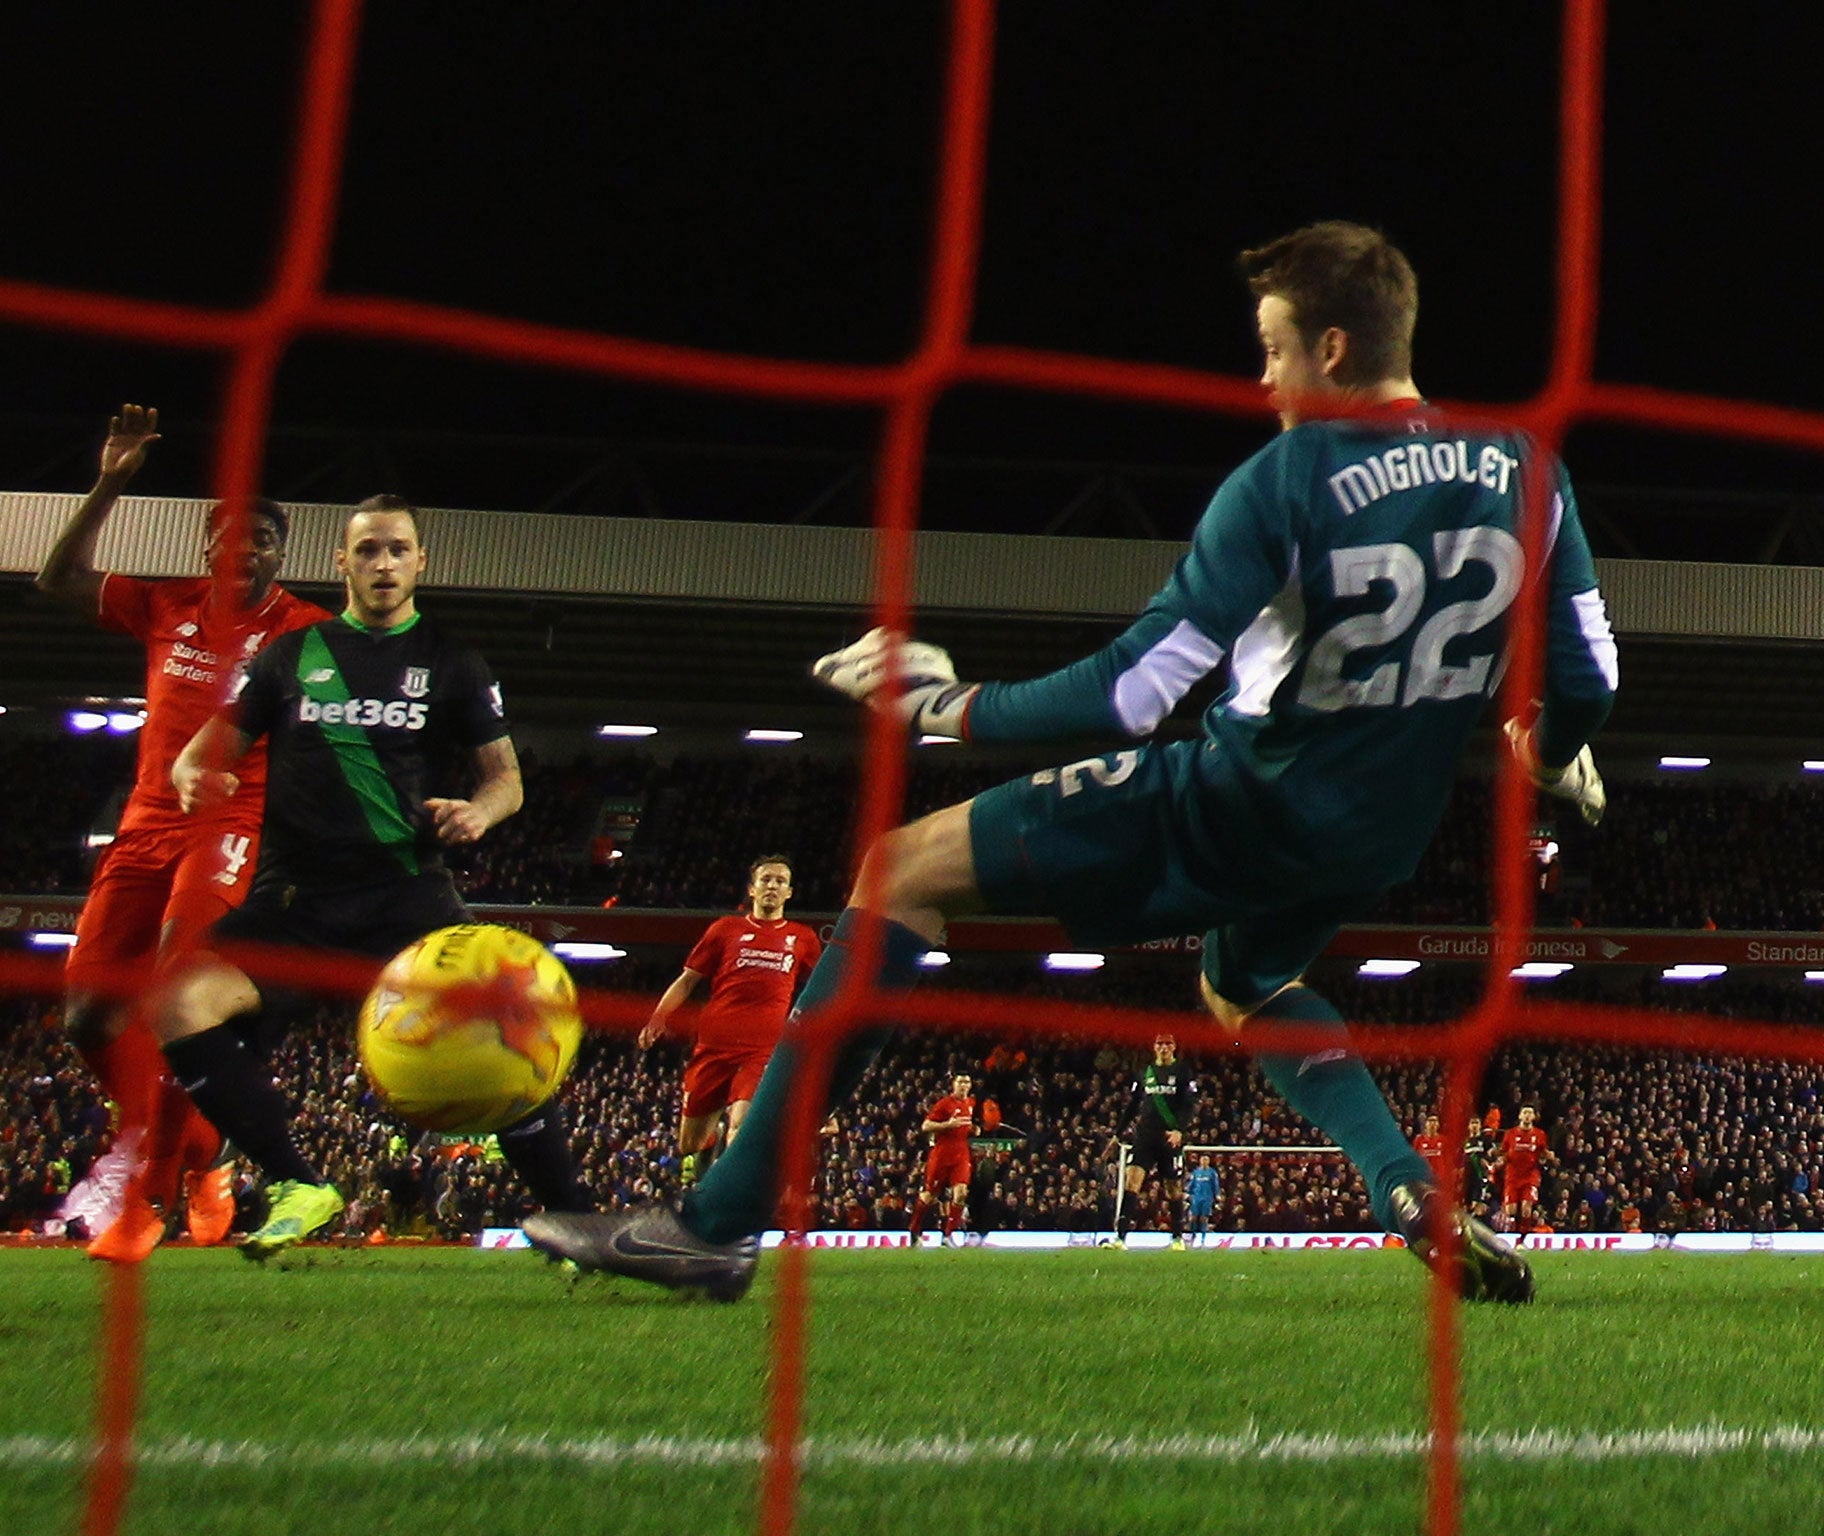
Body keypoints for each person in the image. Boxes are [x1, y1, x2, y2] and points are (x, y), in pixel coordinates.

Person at [525, 220, 1615, 1304]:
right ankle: (1401, 1186)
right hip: (1377, 833)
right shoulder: (1526, 467)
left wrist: (945, 705)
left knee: (897, 872)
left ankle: (712, 1227)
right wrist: (1547, 753)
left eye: (1274, 348)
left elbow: (1133, 694)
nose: (1263, 378)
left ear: (1331, 350)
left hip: (1238, 797)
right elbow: (1588, 680)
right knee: (1245, 982)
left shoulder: (1285, 478)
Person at [153, 494, 591, 1258]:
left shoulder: (454, 661)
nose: (382, 564)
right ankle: (300, 1183)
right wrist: (194, 774)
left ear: (420, 561)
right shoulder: (293, 657)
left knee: (503, 1039)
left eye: (396, 550)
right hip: (294, 902)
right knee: (175, 1004)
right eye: (367, 551)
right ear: (342, 562)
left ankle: (579, 1220)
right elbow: (203, 752)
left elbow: (506, 780)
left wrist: (480, 814)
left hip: (406, 898)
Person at [36, 403, 330, 1262]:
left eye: (267, 542)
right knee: (87, 1019)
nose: (251, 551)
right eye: (236, 537)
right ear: (211, 546)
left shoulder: (308, 633)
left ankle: (148, 1194)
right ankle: (195, 1154)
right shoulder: (166, 606)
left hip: (232, 827)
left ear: (280, 555)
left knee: (174, 997)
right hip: (142, 828)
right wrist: (111, 481)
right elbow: (55, 580)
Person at [636, 856, 821, 1184]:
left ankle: (727, 1199)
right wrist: (658, 1018)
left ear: (789, 892)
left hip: (763, 1047)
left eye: (780, 881)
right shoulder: (725, 930)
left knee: (742, 1128)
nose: (772, 886)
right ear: (752, 889)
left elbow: (820, 987)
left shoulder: (802, 938)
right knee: (688, 1143)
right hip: (715, 1043)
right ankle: (709, 1143)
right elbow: (687, 980)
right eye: (766, 880)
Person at [1114, 1033, 1196, 1245]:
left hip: (1169, 1138)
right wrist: (1117, 1133)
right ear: (1154, 1047)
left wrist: (1179, 1129)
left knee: (1173, 1188)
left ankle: (1178, 1238)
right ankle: (1120, 1238)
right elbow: (1132, 1105)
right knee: (1132, 1182)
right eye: (1160, 1044)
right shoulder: (1145, 1072)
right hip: (1144, 1137)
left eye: (1168, 1044)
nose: (1164, 1048)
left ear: (1174, 1047)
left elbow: (1189, 1105)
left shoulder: (1182, 1071)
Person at [908, 1072, 977, 1241]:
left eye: (967, 1082)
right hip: (941, 1155)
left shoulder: (970, 1103)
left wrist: (974, 1130)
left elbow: (965, 1126)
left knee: (961, 1193)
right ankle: (914, 1229)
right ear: (953, 1084)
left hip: (961, 1154)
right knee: (930, 1196)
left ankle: (948, 1236)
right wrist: (947, 1125)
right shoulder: (944, 1104)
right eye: (960, 1082)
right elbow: (926, 1125)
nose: (964, 1085)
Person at [1500, 1104, 1551, 1231]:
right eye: (1525, 1112)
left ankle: (1523, 1238)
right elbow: (1503, 1152)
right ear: (1520, 1116)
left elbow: (1543, 1153)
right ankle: (1513, 1234)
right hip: (1512, 1175)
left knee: (1526, 1208)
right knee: (1511, 1210)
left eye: (1530, 1113)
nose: (1527, 1116)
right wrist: (1501, 1159)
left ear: (1534, 1116)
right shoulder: (1510, 1134)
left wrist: (1548, 1156)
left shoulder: (1539, 1134)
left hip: (1530, 1175)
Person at [1186, 1153, 1220, 1241]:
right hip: (1197, 1197)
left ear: (1208, 1161)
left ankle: (1203, 1237)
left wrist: (1217, 1195)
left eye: (1206, 1160)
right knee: (1194, 1216)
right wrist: (1187, 1192)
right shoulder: (1196, 1172)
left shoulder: (1212, 1173)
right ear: (1200, 1161)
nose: (1204, 1161)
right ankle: (1192, 1234)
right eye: (1203, 1159)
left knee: (1204, 1218)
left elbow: (1215, 1185)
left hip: (1207, 1197)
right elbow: (1192, 1184)